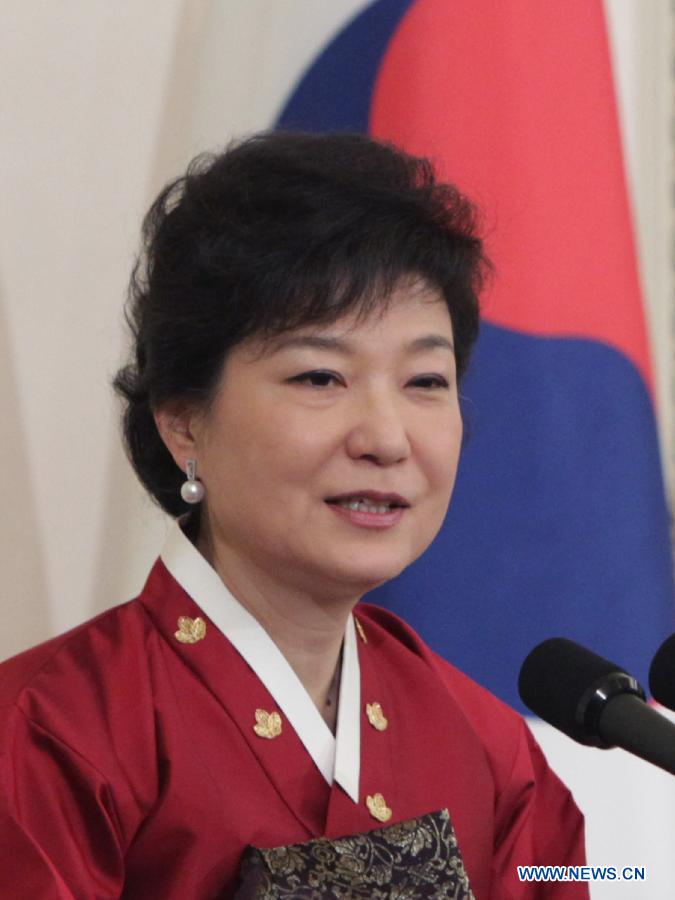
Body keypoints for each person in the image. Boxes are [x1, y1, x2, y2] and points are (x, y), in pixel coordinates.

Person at [0, 132, 587, 898]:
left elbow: (572, 873)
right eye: (320, 376)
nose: (385, 437)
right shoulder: (49, 730)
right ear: (183, 423)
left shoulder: (489, 747)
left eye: (424, 381)